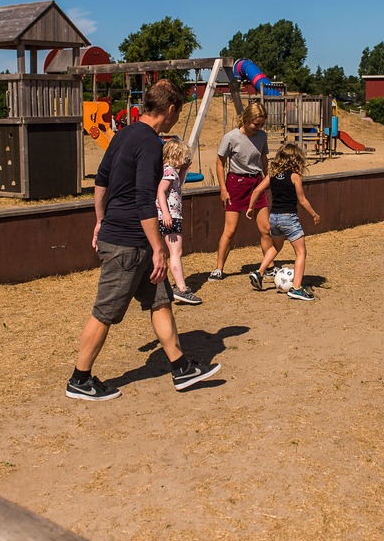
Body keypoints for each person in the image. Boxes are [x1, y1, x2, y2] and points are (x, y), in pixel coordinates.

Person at [65, 79, 220, 401]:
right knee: (105, 312)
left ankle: (181, 368)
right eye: (179, 111)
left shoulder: (123, 134)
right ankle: (80, 379)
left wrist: (99, 220)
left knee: (160, 301)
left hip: (126, 238)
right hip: (129, 244)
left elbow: (101, 181)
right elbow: (144, 199)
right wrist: (159, 249)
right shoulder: (150, 144)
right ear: (171, 109)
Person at [246, 143, 322, 301]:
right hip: (289, 218)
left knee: (276, 246)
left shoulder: (272, 174)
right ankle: (296, 288)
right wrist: (314, 213)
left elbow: (257, 190)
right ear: (296, 159)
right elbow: (302, 200)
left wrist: (250, 207)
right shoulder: (295, 176)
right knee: (301, 252)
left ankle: (259, 273)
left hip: (273, 217)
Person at [211, 103, 271, 280]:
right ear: (245, 119)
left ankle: (269, 267)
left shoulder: (262, 136)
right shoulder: (231, 137)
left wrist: (268, 179)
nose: (258, 128)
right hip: (236, 184)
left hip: (256, 183)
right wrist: (223, 189)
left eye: (261, 125)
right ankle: (218, 269)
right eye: (255, 124)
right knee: (230, 230)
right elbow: (220, 163)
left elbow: (263, 158)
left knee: (266, 229)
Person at [156, 138, 201, 305]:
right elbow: (161, 191)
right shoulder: (168, 172)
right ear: (175, 155)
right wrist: (166, 213)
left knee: (170, 252)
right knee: (176, 252)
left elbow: (178, 185)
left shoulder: (170, 172)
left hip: (171, 216)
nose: (186, 159)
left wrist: (184, 169)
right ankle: (181, 288)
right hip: (170, 217)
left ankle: (171, 285)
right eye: (183, 156)